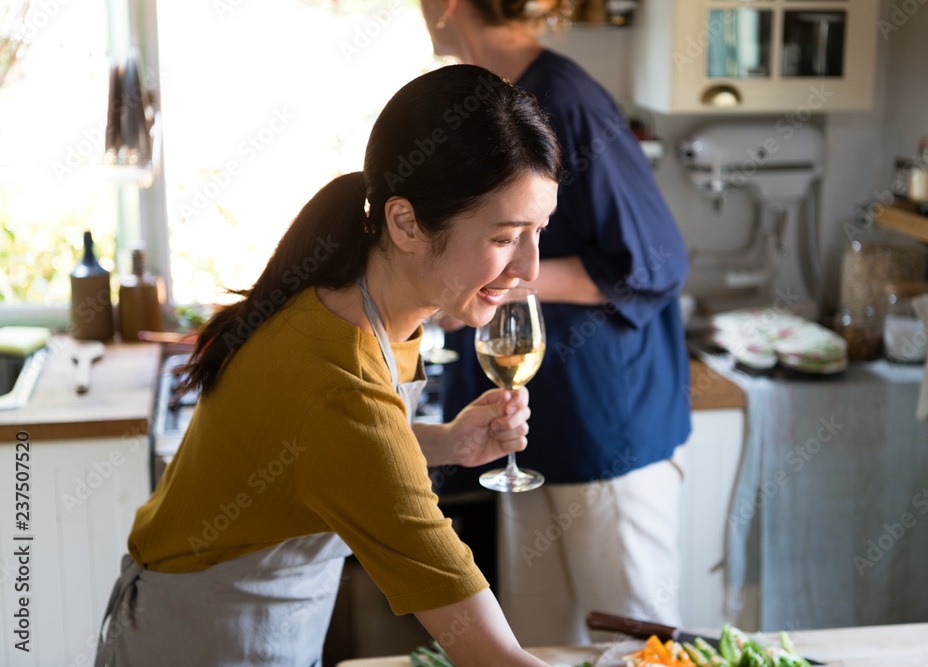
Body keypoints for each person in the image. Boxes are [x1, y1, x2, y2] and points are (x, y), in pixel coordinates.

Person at [93, 64, 562, 667]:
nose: (530, 268)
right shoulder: (337, 376)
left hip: (263, 624)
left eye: (539, 231)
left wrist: (441, 443)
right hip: (201, 637)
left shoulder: (358, 298)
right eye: (505, 237)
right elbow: (487, 652)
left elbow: (325, 453)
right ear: (406, 222)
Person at [419, 0, 692, 647]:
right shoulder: (494, 102)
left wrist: (496, 278)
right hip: (532, 435)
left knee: (635, 650)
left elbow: (655, 261)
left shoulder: (565, 99)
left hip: (604, 436)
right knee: (539, 649)